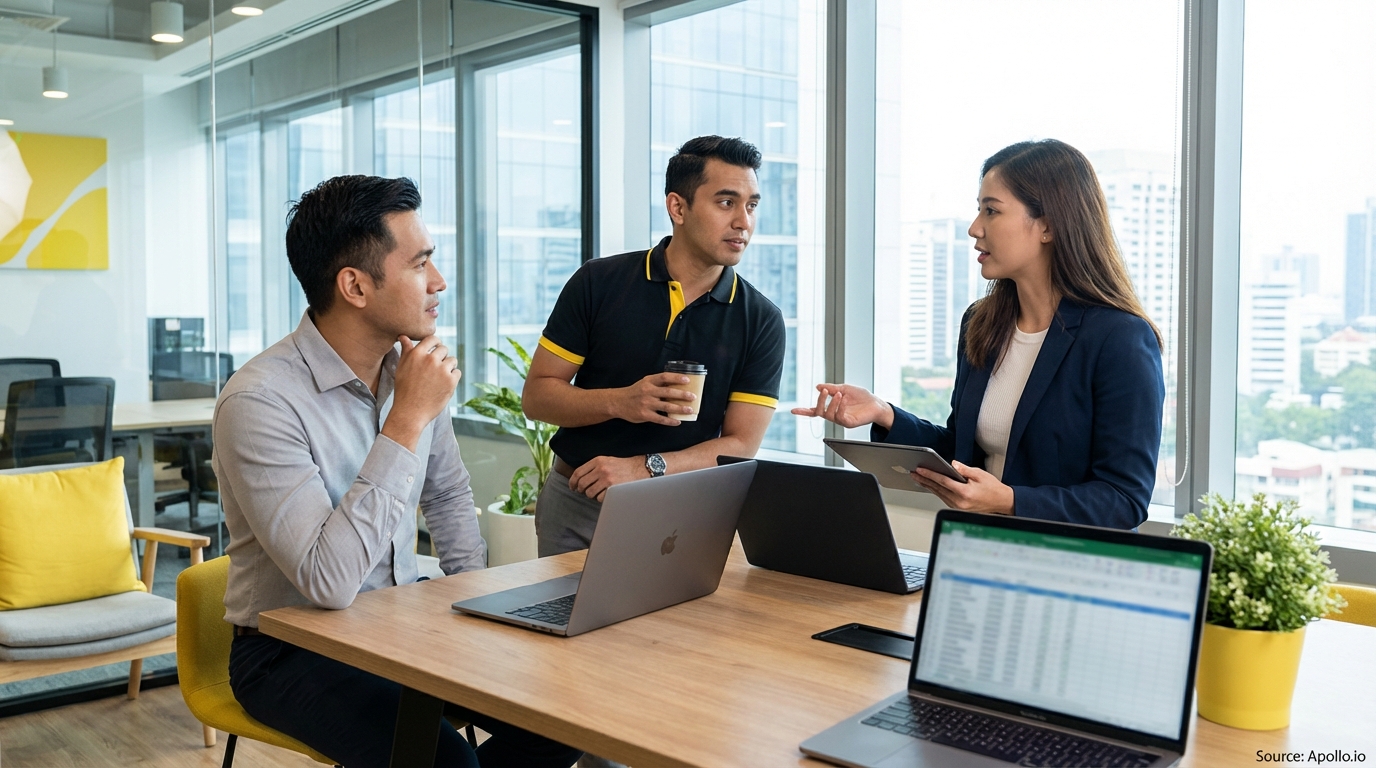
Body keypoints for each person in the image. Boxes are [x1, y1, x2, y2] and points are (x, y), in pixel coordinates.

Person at [212, 175, 581, 768]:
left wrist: (478, 605)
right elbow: (328, 584)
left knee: (569, 713)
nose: (439, 283)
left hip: (405, 617)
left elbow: (450, 494)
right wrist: (406, 418)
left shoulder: (405, 370)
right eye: (420, 264)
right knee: (450, 763)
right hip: (289, 649)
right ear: (355, 285)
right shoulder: (259, 402)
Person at [794, 139, 1164, 530]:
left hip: (1068, 568)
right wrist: (883, 414)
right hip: (977, 548)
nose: (975, 228)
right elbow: (963, 449)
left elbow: (1125, 500)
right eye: (978, 209)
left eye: (992, 210)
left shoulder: (1120, 338)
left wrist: (1010, 501)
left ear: (1049, 226)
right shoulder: (982, 323)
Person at [523, 135, 787, 557]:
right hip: (577, 504)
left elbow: (741, 444)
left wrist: (644, 468)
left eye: (751, 205)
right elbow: (538, 397)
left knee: (668, 627)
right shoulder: (598, 282)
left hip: (679, 514)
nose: (743, 222)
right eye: (726, 202)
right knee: (561, 622)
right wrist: (620, 402)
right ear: (677, 208)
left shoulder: (761, 319)